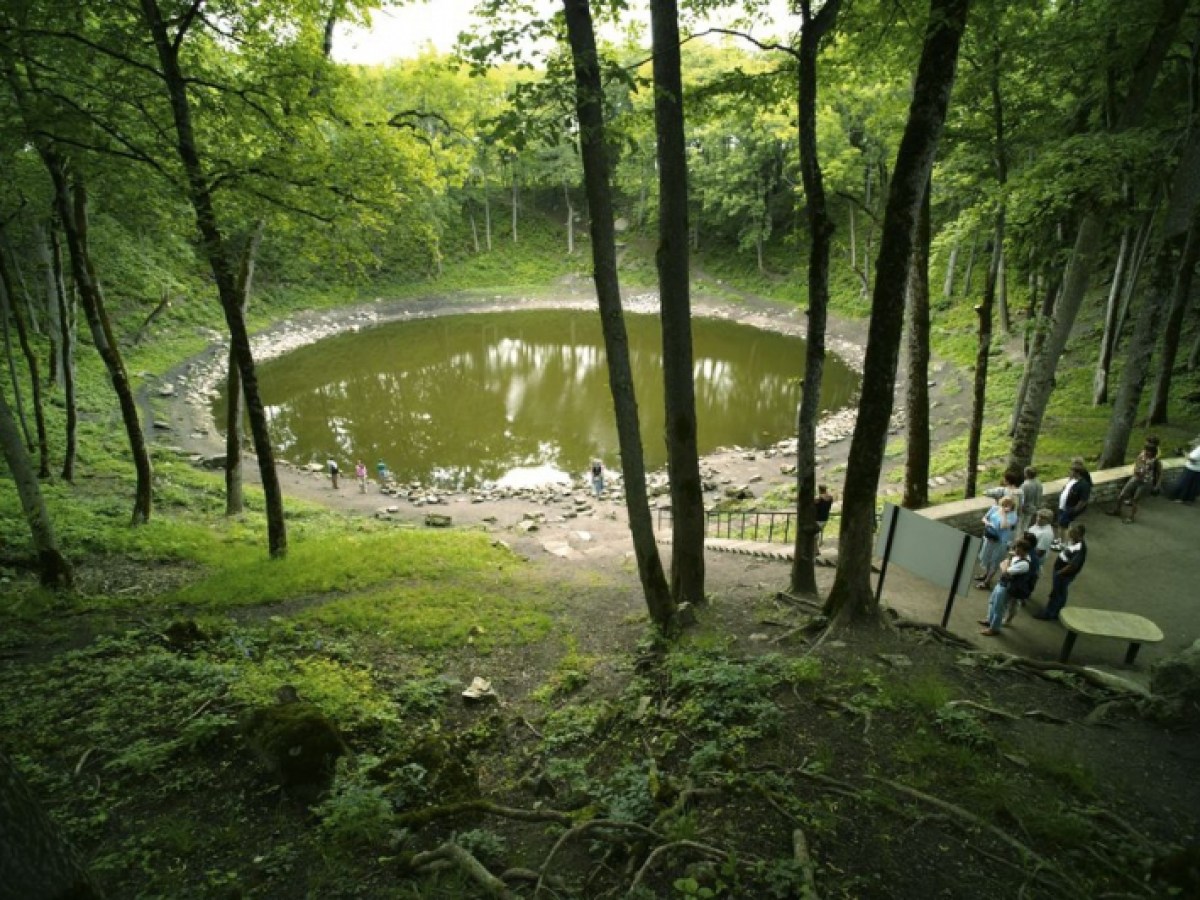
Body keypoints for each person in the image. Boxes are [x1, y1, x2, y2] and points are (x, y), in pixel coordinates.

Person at [979, 538, 1033, 636]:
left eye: (1019, 549)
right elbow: (1003, 565)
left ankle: (994, 628)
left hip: (1007, 587)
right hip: (1002, 582)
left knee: (999, 608)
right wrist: (1006, 565)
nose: (1016, 550)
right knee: (992, 602)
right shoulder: (1017, 557)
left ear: (1025, 551)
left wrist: (1006, 565)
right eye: (1016, 548)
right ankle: (989, 620)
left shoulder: (1024, 564)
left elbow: (1005, 570)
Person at [1036, 523, 1087, 621]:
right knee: (1061, 592)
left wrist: (1060, 572)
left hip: (1064, 575)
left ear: (1079, 535)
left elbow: (1073, 565)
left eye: (1072, 533)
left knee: (1056, 593)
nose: (1069, 534)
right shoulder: (1074, 542)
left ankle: (1049, 613)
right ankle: (1058, 610)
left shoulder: (1080, 548)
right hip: (1061, 572)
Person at [1107, 440, 1162, 523]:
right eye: (1146, 450)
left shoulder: (1156, 461)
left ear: (1153, 452)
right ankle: (1117, 510)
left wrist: (1157, 485)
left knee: (1135, 500)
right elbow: (1136, 464)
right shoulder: (1141, 455)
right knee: (1122, 495)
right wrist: (1137, 470)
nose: (1147, 452)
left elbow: (1160, 473)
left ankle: (1131, 517)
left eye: (1149, 451)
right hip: (1136, 477)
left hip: (1145, 482)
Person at [975, 496, 1017, 590]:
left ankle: (987, 582)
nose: (1005, 506)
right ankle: (986, 574)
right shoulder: (994, 508)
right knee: (987, 558)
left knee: (995, 561)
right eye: (1004, 504)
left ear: (1012, 506)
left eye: (1008, 505)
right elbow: (984, 518)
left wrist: (1004, 514)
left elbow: (1003, 526)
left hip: (1000, 542)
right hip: (989, 538)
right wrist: (987, 523)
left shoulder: (1013, 516)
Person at [1053, 460, 1091, 550]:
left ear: (1077, 473)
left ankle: (1063, 544)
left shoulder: (1084, 485)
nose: (1069, 472)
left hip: (1070, 508)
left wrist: (1074, 510)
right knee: (1060, 523)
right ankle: (1060, 539)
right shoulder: (1072, 480)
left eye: (1071, 471)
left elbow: (1083, 500)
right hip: (1063, 506)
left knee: (1064, 526)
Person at [1172, 438, 1200, 503]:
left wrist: (1183, 452)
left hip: (1192, 468)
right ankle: (1190, 499)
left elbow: (1192, 459)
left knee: (1184, 484)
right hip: (1198, 469)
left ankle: (1180, 498)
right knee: (1193, 486)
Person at [1019, 467, 1043, 533]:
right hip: (1034, 507)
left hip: (1025, 508)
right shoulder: (1039, 483)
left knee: (1022, 526)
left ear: (1026, 474)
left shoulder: (1025, 485)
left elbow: (1022, 498)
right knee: (1027, 524)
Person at [814, 485, 834, 549]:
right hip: (825, 518)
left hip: (818, 518)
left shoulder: (819, 499)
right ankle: (817, 548)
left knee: (814, 536)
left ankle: (816, 551)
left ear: (819, 490)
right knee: (817, 534)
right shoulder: (830, 498)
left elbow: (814, 503)